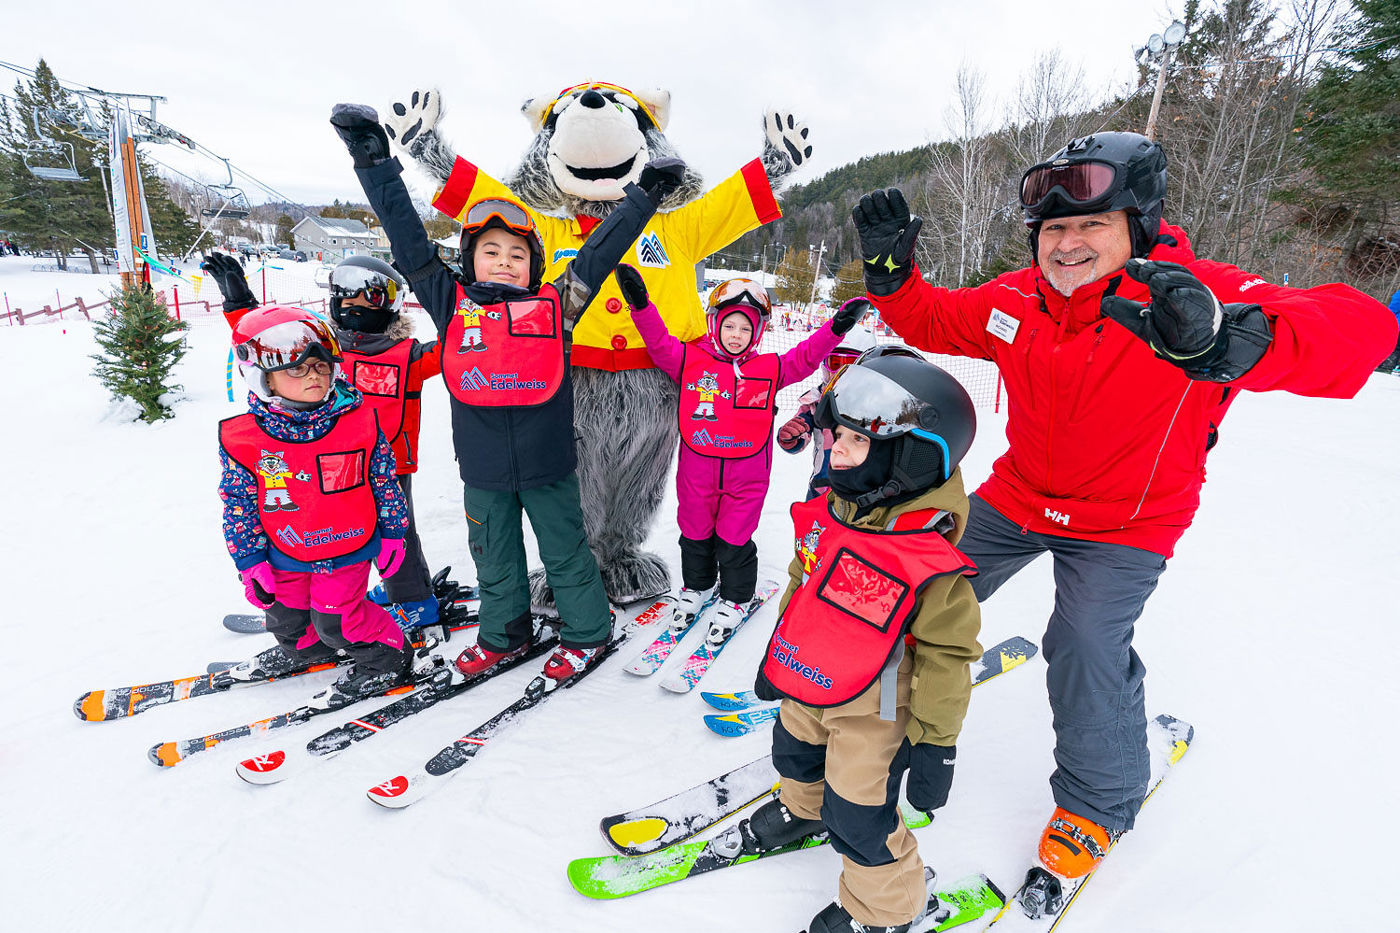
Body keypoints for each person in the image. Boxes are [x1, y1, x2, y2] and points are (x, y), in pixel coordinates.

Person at [850, 131, 1398, 882]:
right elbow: (935, 320)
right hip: (1020, 495)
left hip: (1129, 520)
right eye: (1054, 228)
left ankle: (1100, 799)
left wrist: (1248, 339)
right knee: (915, 584)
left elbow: (1364, 328)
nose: (1067, 243)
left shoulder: (1189, 296)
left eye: (1091, 224)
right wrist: (890, 278)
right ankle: (873, 708)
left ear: (1137, 225)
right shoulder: (1016, 299)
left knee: (1080, 642)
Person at [329, 102, 685, 687]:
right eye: (491, 251)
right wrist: (374, 164)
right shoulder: (452, 308)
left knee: (567, 553)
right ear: (470, 260)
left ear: (534, 267)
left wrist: (643, 196)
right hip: (484, 470)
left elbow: (600, 253)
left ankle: (589, 633)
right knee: (493, 555)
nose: (504, 261)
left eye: (517, 254)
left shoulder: (557, 305)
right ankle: (504, 634)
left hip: (550, 466)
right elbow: (410, 242)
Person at [729, 353, 981, 933]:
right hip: (810, 676)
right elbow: (801, 582)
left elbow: (949, 658)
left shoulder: (931, 564)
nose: (834, 450)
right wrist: (776, 655)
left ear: (909, 458)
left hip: (876, 709)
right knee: (793, 753)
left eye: (855, 442)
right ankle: (804, 809)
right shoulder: (834, 513)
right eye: (835, 435)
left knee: (861, 817)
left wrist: (936, 744)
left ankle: (888, 910)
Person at [614, 268, 865, 637]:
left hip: (746, 477)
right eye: (730, 326)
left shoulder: (770, 369)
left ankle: (736, 597)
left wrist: (836, 328)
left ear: (757, 333)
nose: (737, 336)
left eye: (745, 329)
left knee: (734, 537)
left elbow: (807, 356)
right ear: (715, 325)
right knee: (695, 533)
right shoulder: (689, 361)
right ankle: (697, 588)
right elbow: (657, 341)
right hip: (697, 473)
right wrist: (641, 305)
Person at [202, 252, 446, 628]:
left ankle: (412, 599)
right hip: (314, 459)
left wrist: (450, 291)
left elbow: (460, 345)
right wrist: (240, 305)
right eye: (346, 301)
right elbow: (267, 340)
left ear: (391, 307)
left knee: (396, 532)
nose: (355, 309)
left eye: (368, 302)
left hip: (386, 462)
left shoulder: (409, 356)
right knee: (326, 530)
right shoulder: (326, 349)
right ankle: (330, 600)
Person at [219, 305, 418, 705]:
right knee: (287, 620)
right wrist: (249, 560)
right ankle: (309, 653)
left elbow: (383, 481)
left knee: (339, 621)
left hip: (347, 548)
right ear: (263, 378)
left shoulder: (359, 423)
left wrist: (394, 534)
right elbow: (238, 502)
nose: (313, 374)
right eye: (297, 368)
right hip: (284, 552)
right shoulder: (244, 440)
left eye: (321, 366)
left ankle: (389, 658)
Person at [775, 324, 880, 500]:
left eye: (850, 365)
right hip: (822, 490)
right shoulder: (816, 404)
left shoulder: (878, 405)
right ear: (824, 366)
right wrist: (792, 436)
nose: (840, 372)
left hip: (865, 493)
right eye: (835, 363)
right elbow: (802, 432)